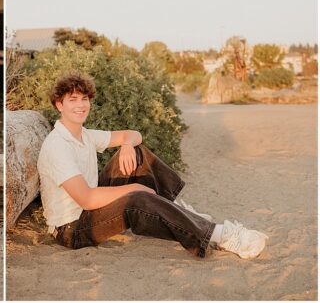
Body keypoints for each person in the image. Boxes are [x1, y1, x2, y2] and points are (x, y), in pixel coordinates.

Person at [36, 72, 267, 259]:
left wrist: (126, 144)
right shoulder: (57, 145)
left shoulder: (84, 135)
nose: (80, 105)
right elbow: (86, 198)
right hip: (72, 229)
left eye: (84, 99)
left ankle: (178, 211)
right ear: (59, 105)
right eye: (72, 100)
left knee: (136, 152)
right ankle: (220, 235)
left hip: (89, 209)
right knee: (135, 199)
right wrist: (133, 188)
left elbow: (134, 135)